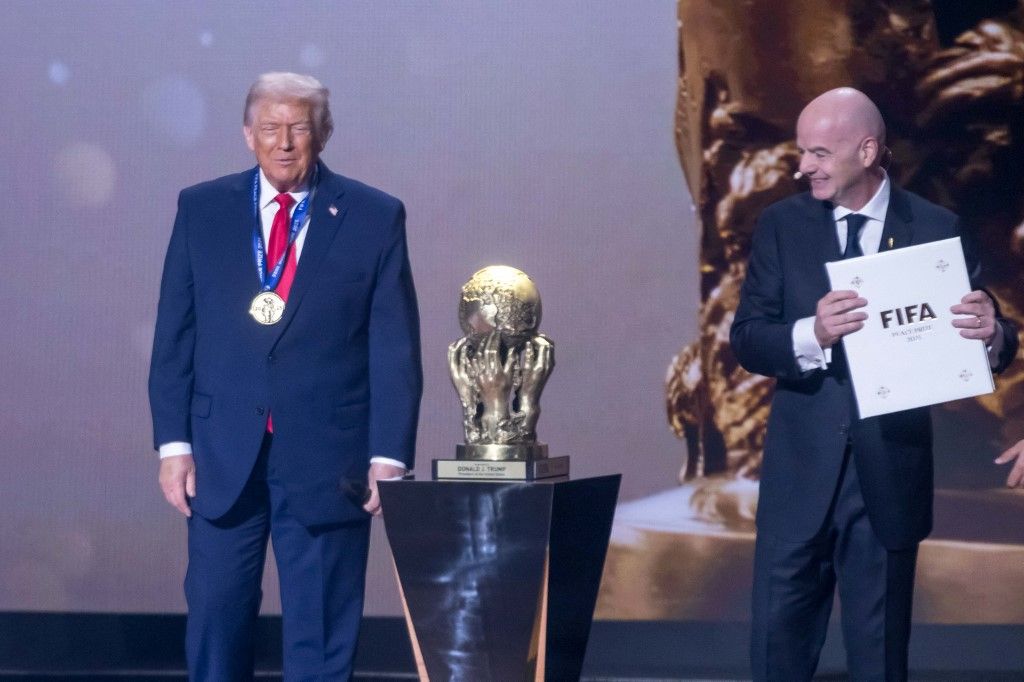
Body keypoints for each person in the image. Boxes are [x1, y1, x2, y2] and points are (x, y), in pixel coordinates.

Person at [729, 87, 1017, 681]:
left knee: (880, 661)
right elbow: (749, 337)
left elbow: (989, 335)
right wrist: (812, 333)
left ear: (866, 151)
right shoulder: (783, 225)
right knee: (776, 657)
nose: (802, 166)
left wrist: (991, 334)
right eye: (801, 153)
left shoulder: (937, 227)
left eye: (817, 153)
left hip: (887, 479)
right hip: (798, 478)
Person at [148, 72, 422, 680]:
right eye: (270, 128)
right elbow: (176, 336)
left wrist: (390, 456)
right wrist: (174, 445)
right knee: (217, 620)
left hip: (330, 458)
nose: (285, 142)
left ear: (322, 134)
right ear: (248, 135)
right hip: (222, 459)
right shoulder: (203, 208)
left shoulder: (374, 216)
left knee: (321, 638)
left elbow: (394, 346)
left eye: (299, 127)